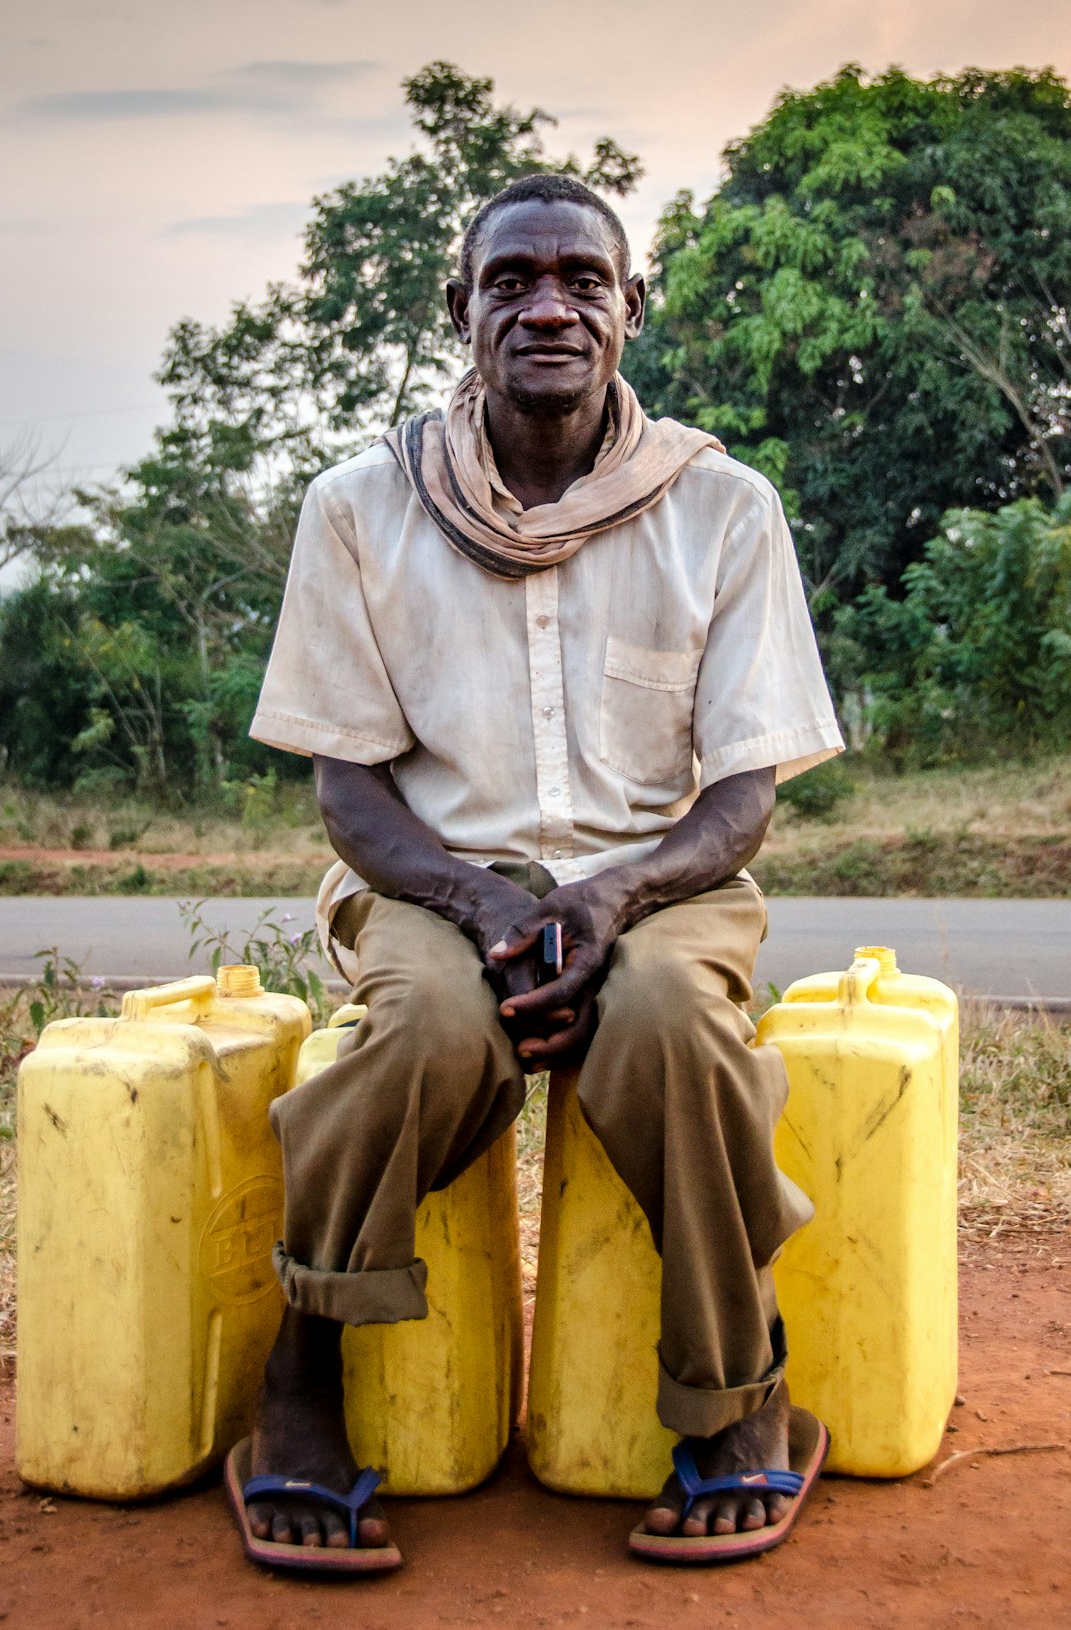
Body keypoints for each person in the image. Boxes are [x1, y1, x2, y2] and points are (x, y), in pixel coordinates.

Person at [234, 173, 844, 1569]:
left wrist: (614, 896)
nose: (549, 304)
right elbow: (350, 788)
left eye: (583, 277)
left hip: (664, 880)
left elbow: (743, 791)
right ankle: (302, 1379)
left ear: (632, 308)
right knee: (427, 1029)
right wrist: (482, 901)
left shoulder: (723, 507)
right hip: (430, 881)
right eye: (511, 280)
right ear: (461, 312)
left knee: (675, 1022)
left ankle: (737, 1392)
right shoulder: (359, 507)